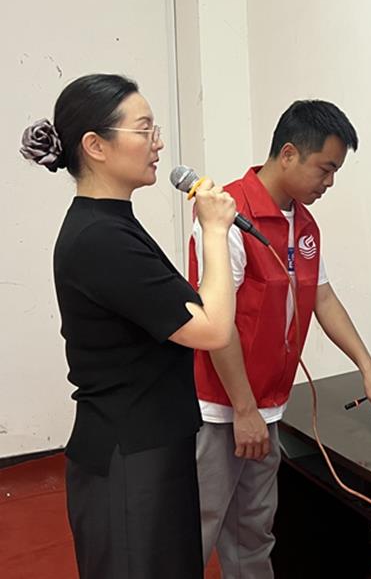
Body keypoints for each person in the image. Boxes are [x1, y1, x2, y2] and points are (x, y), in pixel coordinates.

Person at [20, 73, 237, 579]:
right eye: (144, 130)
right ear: (96, 146)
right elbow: (211, 329)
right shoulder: (100, 238)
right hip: (129, 459)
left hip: (150, 445)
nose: (157, 143)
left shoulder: (113, 223)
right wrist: (214, 231)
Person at [189, 99, 371, 578]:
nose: (329, 183)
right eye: (325, 169)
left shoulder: (304, 224)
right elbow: (217, 323)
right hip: (222, 408)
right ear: (288, 153)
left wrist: (368, 368)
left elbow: (323, 298)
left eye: (335, 172)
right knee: (196, 530)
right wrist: (243, 410)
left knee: (254, 530)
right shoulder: (228, 215)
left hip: (267, 406)